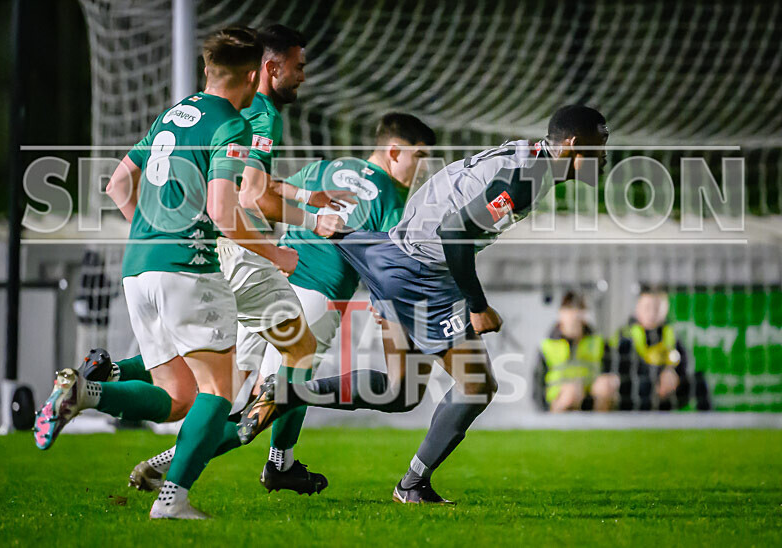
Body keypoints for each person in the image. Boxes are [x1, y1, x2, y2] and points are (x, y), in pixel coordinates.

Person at [237, 105, 610, 504]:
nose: (603, 160)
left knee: (400, 391)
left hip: (396, 256)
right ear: (571, 146)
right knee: (476, 385)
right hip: (422, 273)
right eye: (599, 149)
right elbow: (454, 232)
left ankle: (290, 392)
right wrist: (476, 304)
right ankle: (411, 485)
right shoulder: (530, 177)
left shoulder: (527, 155)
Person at [32, 26, 318, 520]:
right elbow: (226, 212)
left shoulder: (172, 114)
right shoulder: (234, 124)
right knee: (219, 392)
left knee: (176, 397)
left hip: (138, 266)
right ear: (254, 75)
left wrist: (154, 230)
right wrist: (277, 255)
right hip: (189, 268)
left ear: (207, 69)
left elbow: (119, 183)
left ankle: (86, 390)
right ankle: (173, 498)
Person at [128, 112, 435, 496]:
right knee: (270, 403)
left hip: (267, 283)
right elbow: (389, 264)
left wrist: (274, 246)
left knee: (227, 389)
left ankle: (281, 464)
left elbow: (262, 196)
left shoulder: (322, 170)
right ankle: (162, 469)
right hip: (316, 297)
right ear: (394, 151)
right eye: (419, 156)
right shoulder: (391, 196)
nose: (421, 168)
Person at [592, 286, 711, 411]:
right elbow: (617, 367)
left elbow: (685, 362)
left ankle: (709, 423)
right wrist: (658, 373)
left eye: (657, 308)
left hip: (666, 393)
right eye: (647, 308)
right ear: (638, 309)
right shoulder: (625, 335)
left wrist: (673, 373)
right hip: (635, 395)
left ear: (665, 310)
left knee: (699, 380)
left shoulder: (670, 334)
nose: (652, 313)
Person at [533, 292, 605, 412]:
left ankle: (603, 427)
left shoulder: (597, 342)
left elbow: (607, 371)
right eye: (569, 310)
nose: (574, 315)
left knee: (606, 385)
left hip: (590, 397)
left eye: (578, 309)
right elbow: (537, 386)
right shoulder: (548, 345)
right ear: (560, 314)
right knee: (571, 393)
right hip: (559, 400)